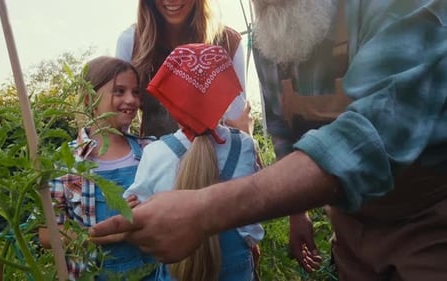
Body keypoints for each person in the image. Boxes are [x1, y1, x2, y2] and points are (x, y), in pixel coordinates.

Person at [90, 1, 447, 281]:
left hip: (428, 222)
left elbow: (380, 130)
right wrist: (298, 214)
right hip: (351, 227)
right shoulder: (273, 36)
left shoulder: (396, 5)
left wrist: (206, 210)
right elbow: (284, 130)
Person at [122, 43, 264, 281]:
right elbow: (253, 216)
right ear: (225, 95)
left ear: (169, 100)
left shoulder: (156, 153)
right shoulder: (245, 146)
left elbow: (136, 208)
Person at [38, 56, 156, 280]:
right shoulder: (63, 162)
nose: (132, 100)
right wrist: (98, 235)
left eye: (136, 92)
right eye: (119, 91)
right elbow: (45, 234)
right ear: (89, 98)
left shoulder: (151, 150)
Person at [115, 0, 250, 137]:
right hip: (154, 152)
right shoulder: (131, 41)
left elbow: (237, 120)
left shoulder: (228, 42)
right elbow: (117, 118)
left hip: (215, 153)